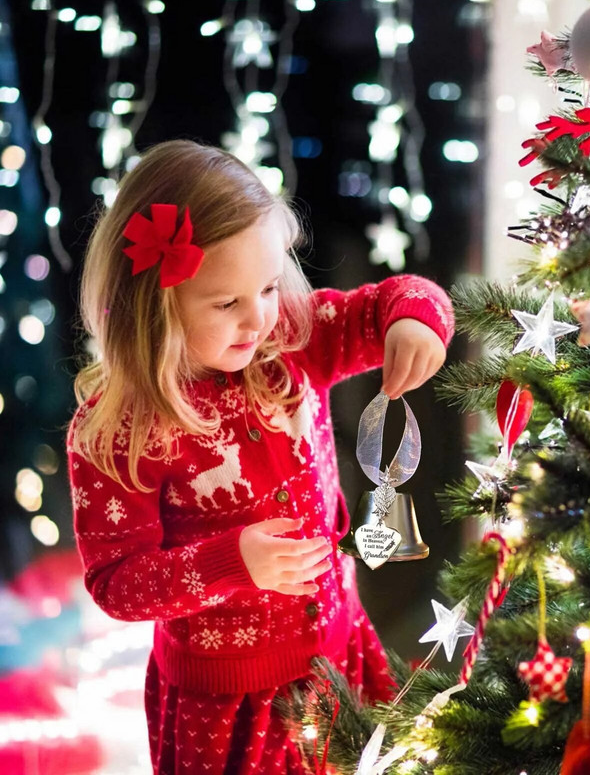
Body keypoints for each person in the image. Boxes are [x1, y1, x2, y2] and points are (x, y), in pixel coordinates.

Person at [67, 140, 454, 774]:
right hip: (225, 706)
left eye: (270, 286)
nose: (258, 319)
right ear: (154, 305)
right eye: (226, 303)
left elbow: (397, 297)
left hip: (338, 654)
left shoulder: (292, 341)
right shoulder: (120, 428)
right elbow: (117, 584)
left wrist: (413, 320)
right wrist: (231, 563)